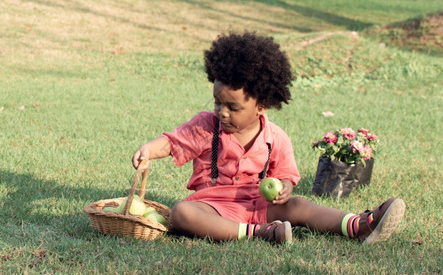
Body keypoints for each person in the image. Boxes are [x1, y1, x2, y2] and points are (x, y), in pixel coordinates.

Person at [131, 31, 405, 244]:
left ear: (261, 105)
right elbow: (174, 141)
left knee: (298, 206)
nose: (222, 112)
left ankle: (359, 225)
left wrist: (285, 187)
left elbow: (286, 175)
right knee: (181, 214)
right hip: (213, 206)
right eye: (217, 103)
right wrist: (149, 149)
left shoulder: (276, 138)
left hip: (259, 203)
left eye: (232, 107)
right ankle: (258, 234)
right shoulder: (206, 126)